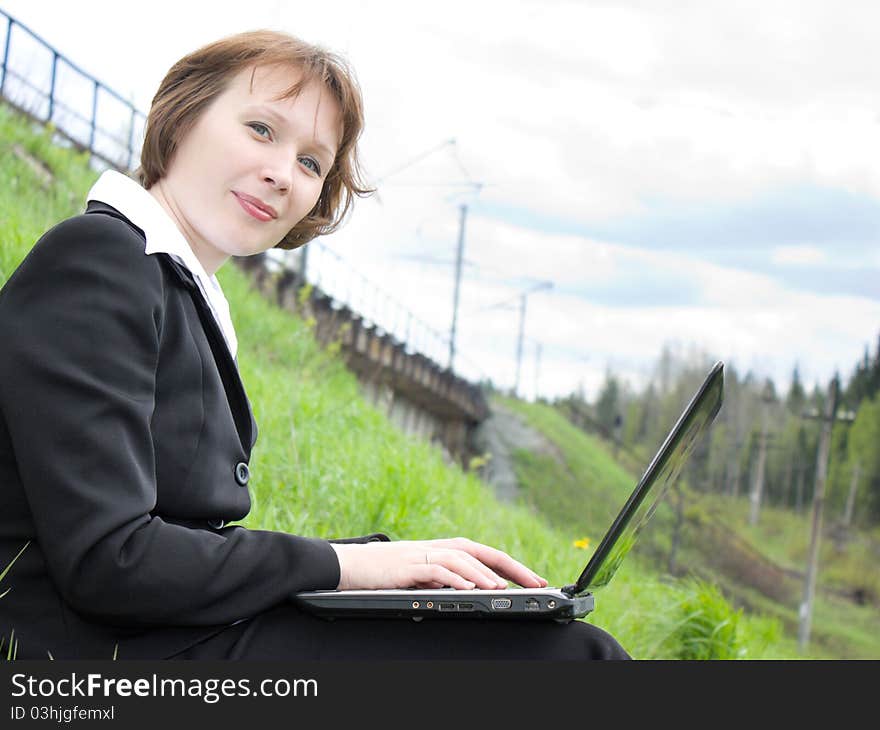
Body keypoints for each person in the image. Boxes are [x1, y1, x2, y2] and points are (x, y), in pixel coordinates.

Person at [0, 29, 630, 660]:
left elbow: (174, 545)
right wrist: (345, 568)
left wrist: (378, 563)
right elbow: (110, 561)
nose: (281, 174)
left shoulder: (178, 289)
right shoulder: (101, 259)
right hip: (83, 672)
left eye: (310, 163)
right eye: (261, 129)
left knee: (547, 643)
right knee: (563, 659)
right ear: (183, 114)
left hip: (164, 639)